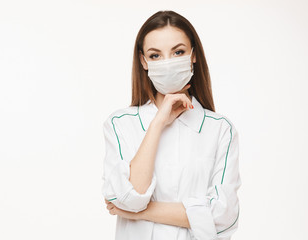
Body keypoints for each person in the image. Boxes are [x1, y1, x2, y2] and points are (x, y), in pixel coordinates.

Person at [101, 10, 241, 240]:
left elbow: (224, 217)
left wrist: (139, 213)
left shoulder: (220, 129)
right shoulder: (120, 125)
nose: (168, 63)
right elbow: (130, 196)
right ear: (143, 61)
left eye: (178, 52)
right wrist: (157, 123)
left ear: (193, 54)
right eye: (155, 55)